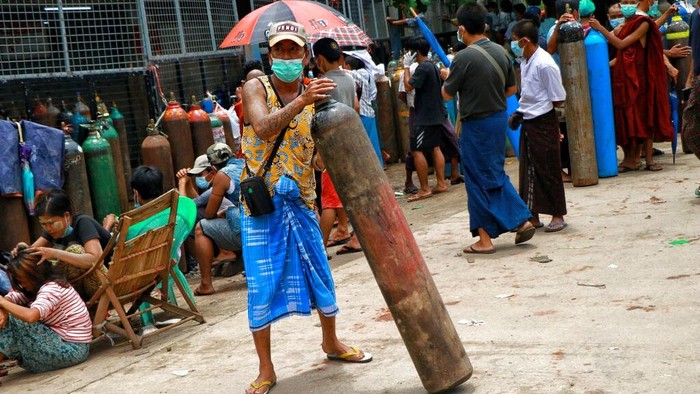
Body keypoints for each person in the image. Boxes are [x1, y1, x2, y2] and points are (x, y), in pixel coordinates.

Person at [241, 21, 372, 394]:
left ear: (305, 55)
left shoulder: (317, 94)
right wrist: (303, 101)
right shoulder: (257, 87)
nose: (286, 57)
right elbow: (264, 127)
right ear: (269, 55)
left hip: (300, 201)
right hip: (262, 207)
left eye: (293, 50)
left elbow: (319, 153)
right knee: (262, 286)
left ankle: (331, 342)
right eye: (279, 50)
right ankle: (266, 368)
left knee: (321, 273)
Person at [442, 2, 536, 254]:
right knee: (493, 172)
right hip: (497, 119)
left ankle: (488, 237)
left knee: (476, 178)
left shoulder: (462, 58)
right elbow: (511, 90)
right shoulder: (501, 52)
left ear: (462, 29)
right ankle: (520, 220)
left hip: (476, 124)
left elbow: (447, 95)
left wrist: (447, 76)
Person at [590, 0, 675, 172]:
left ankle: (649, 160)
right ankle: (630, 159)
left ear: (637, 4)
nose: (627, 5)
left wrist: (601, 28)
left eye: (631, 2)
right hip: (624, 78)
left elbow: (621, 44)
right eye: (624, 2)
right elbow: (620, 53)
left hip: (641, 78)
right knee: (627, 117)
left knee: (645, 116)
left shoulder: (642, 22)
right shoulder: (623, 25)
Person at [511, 20, 568, 232]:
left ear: (525, 41)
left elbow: (558, 98)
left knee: (548, 169)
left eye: (516, 41)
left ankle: (557, 214)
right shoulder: (525, 62)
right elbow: (528, 94)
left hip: (543, 121)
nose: (514, 45)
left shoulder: (545, 63)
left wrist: (549, 124)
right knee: (528, 170)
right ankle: (532, 214)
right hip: (528, 121)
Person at [0, 246, 91, 373]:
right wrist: (3, 310)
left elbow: (31, 316)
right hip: (61, 346)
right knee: (8, 312)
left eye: (22, 280)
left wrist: (2, 302)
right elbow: (11, 298)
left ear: (33, 275)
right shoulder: (33, 288)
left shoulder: (52, 288)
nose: (21, 285)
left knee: (15, 316)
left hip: (72, 350)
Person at [311, 37, 363, 256]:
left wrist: (318, 151)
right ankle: (349, 233)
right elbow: (355, 108)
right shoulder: (349, 79)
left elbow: (317, 120)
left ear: (319, 59)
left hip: (331, 148)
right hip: (350, 142)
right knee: (349, 195)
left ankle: (320, 249)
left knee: (329, 202)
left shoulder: (321, 84)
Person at [14, 189, 110, 301]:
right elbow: (34, 252)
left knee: (75, 250)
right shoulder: (52, 231)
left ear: (67, 216)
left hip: (107, 282)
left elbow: (96, 259)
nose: (48, 228)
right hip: (85, 285)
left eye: (51, 223)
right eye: (43, 224)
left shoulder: (83, 223)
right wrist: (22, 250)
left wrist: (55, 253)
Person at [176, 143, 244, 296]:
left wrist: (182, 184)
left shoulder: (223, 176)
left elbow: (206, 214)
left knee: (201, 226)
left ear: (213, 167)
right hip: (261, 222)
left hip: (244, 228)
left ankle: (206, 283)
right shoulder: (243, 165)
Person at [402, 36, 449, 202]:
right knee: (435, 147)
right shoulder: (433, 66)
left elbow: (408, 86)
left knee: (417, 149)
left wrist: (406, 67)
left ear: (415, 53)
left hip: (425, 117)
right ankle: (441, 183)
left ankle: (424, 188)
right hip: (436, 114)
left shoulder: (423, 68)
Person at [683, 0, 700, 196]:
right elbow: (694, 52)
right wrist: (690, 79)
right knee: (692, 130)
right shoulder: (695, 15)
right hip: (698, 79)